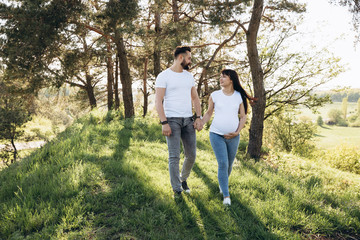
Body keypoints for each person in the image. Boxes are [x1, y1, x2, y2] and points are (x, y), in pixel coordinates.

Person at [201, 69, 256, 206]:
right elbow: (208, 113)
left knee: (229, 165)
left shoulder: (238, 96)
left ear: (231, 79)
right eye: (220, 76)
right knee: (223, 163)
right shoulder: (215, 95)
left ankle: (222, 184)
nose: (221, 79)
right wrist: (200, 122)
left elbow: (243, 117)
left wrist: (237, 132)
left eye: (224, 77)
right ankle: (226, 195)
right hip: (216, 134)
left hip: (233, 136)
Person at [155, 46, 203, 197]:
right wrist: (164, 122)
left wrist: (198, 118)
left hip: (188, 120)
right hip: (172, 120)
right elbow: (158, 100)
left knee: (192, 155)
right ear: (181, 58)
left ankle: (183, 179)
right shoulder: (164, 76)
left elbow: (195, 98)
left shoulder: (188, 76)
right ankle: (177, 189)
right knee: (174, 156)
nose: (190, 61)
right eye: (189, 58)